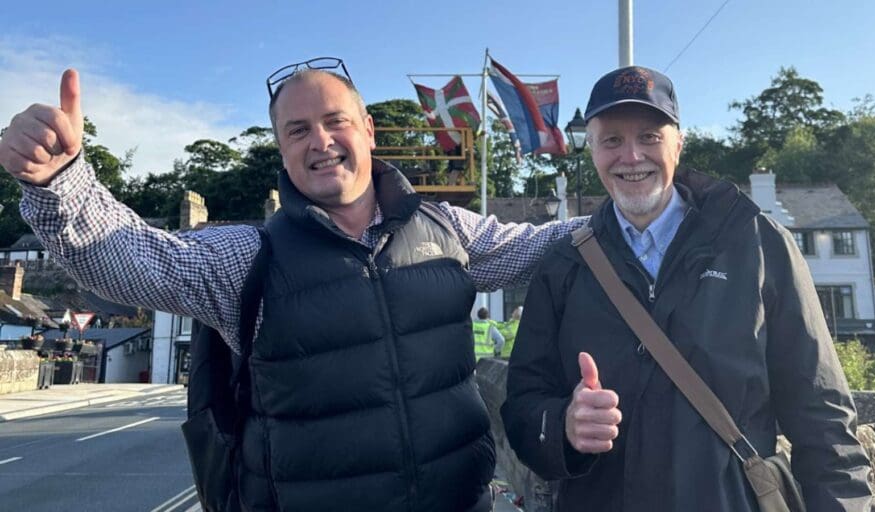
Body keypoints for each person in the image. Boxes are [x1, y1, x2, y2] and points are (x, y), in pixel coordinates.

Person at [0, 60, 587, 512]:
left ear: (368, 129)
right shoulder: (248, 257)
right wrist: (61, 182)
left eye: (335, 121)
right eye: (298, 129)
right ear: (282, 146)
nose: (320, 140)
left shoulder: (446, 229)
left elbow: (544, 244)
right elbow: (133, 260)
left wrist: (656, 209)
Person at [501, 66, 872, 511]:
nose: (631, 156)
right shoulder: (564, 264)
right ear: (593, 151)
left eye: (650, 137)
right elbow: (522, 411)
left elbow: (824, 417)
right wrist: (562, 426)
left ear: (679, 142)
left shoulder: (756, 243)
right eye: (612, 140)